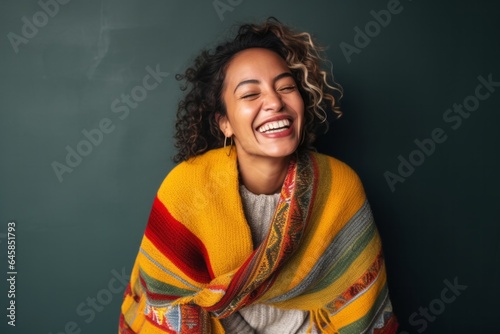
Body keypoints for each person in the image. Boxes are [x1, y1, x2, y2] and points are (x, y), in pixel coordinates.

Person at [119, 17, 398, 334]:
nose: (275, 102)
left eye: (286, 88)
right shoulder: (187, 189)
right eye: (251, 94)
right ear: (224, 122)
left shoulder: (339, 187)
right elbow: (163, 302)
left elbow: (361, 311)